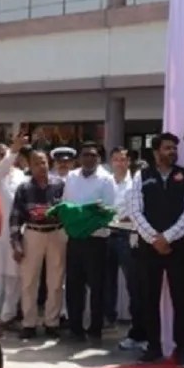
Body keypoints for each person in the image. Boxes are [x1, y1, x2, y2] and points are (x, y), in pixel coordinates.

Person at [127, 132, 184, 368]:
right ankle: (154, 347)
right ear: (157, 152)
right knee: (149, 298)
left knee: (181, 299)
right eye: (167, 148)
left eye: (174, 149)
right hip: (149, 248)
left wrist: (167, 237)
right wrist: (153, 239)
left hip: (178, 247)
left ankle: (183, 349)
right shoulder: (142, 176)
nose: (172, 152)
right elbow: (135, 211)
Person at [9, 149, 68, 340]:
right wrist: (16, 244)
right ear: (30, 166)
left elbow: (69, 210)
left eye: (43, 162)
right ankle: (29, 323)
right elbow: (15, 217)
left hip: (57, 233)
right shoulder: (24, 188)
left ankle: (52, 322)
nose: (41, 166)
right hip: (33, 234)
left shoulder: (60, 185)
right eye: (36, 163)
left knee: (56, 281)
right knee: (29, 281)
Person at [62, 142, 116, 343]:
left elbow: (108, 210)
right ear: (80, 158)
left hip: (96, 240)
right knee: (74, 285)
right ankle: (75, 328)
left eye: (93, 155)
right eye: (85, 155)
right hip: (75, 239)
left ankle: (95, 329)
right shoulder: (72, 177)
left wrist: (87, 220)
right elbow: (67, 205)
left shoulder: (106, 179)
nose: (89, 159)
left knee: (97, 287)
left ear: (99, 158)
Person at [106, 147, 145, 351]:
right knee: (106, 282)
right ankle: (107, 321)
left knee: (133, 284)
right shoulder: (106, 182)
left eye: (123, 159)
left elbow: (138, 210)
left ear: (128, 162)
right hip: (106, 234)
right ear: (111, 162)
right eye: (116, 159)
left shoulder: (136, 183)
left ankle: (137, 329)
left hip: (127, 236)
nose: (119, 163)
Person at [0, 133, 28, 327]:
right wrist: (14, 150)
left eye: (7, 153)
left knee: (15, 277)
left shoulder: (21, 175)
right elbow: (2, 169)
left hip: (17, 231)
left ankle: (8, 316)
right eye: (0, 155)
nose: (5, 158)